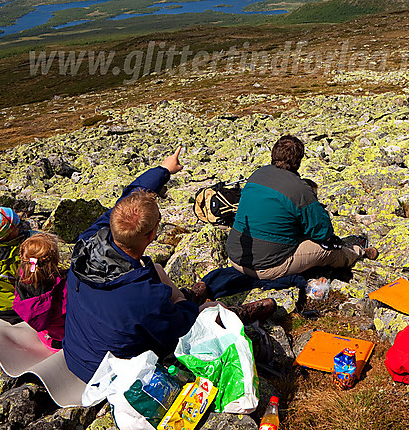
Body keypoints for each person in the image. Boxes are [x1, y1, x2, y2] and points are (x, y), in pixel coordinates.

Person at [63, 147, 274, 382]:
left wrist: (164, 170)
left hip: (77, 354)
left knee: (157, 270)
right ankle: (233, 313)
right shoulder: (142, 295)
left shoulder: (89, 240)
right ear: (151, 235)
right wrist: (183, 305)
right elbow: (178, 331)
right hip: (111, 373)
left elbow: (131, 194)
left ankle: (186, 297)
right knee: (206, 311)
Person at [226, 135, 378, 280]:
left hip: (235, 256)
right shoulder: (300, 189)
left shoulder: (257, 175)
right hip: (265, 266)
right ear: (298, 162)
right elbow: (323, 232)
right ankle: (358, 252)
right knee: (326, 250)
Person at [13, 233, 67, 352]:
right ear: (54, 260)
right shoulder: (62, 286)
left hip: (45, 336)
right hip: (62, 339)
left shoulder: (21, 281)